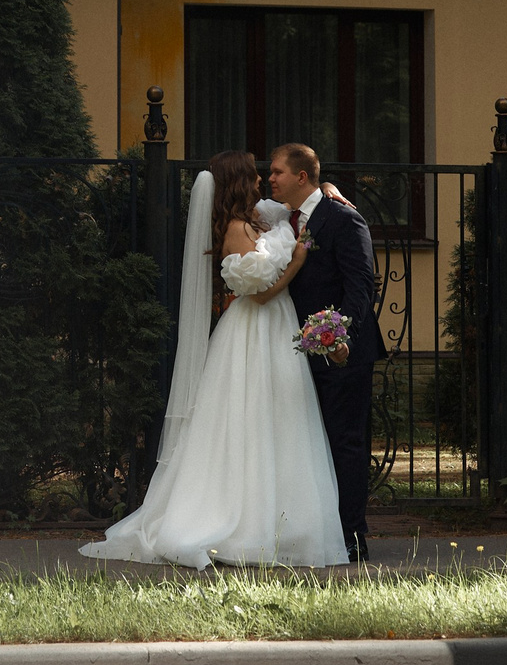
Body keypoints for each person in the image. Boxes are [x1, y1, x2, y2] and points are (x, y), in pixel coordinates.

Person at [80, 150, 349, 568]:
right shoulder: (236, 230)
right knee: (245, 419)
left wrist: (328, 188)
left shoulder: (262, 215)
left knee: (281, 417)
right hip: (253, 329)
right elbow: (258, 293)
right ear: (240, 181)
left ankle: (289, 521)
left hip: (278, 327)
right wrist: (296, 263)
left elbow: (301, 202)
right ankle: (239, 521)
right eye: (255, 175)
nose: (264, 180)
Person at [270, 141, 383, 562]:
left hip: (342, 352)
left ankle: (353, 537)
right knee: (306, 444)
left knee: (346, 442)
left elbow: (361, 288)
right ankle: (314, 532)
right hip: (299, 352)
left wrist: (338, 337)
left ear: (301, 177)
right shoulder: (284, 217)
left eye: (278, 172)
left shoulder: (343, 218)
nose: (271, 178)